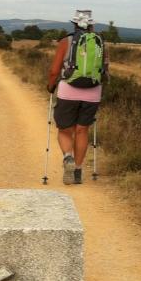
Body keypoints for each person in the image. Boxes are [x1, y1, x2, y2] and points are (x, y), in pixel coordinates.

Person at [47, 10, 109, 184]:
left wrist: (51, 86)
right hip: (93, 91)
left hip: (69, 90)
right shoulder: (101, 42)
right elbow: (105, 69)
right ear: (92, 25)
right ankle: (78, 172)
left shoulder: (65, 41)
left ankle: (68, 158)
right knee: (82, 130)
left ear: (74, 24)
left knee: (65, 130)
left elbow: (54, 71)